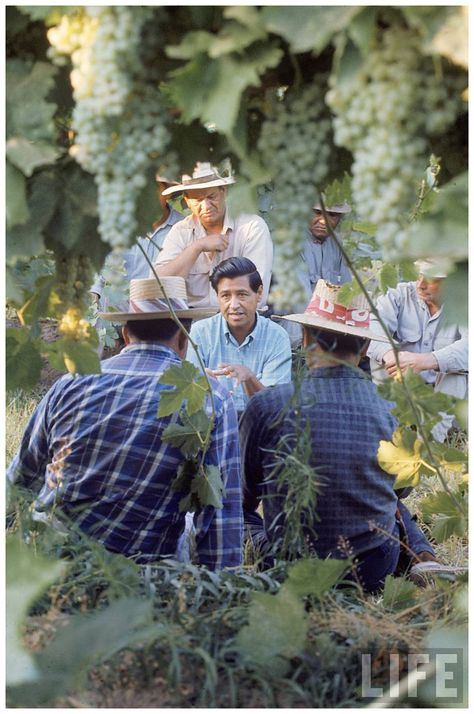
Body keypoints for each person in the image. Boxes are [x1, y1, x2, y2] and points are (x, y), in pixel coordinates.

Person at [7, 277, 243, 570]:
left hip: (51, 560)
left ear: (126, 334)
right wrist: (222, 588)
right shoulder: (210, 397)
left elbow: (19, 479)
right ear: (184, 338)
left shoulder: (68, 385)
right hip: (140, 571)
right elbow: (219, 511)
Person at [240, 279, 438, 593]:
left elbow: (245, 497)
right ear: (362, 348)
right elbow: (400, 492)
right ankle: (423, 556)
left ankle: (422, 556)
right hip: (371, 571)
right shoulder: (393, 412)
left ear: (305, 340)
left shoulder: (266, 405)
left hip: (290, 566)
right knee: (395, 509)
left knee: (235, 514)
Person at [367, 259, 468, 440]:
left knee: (459, 372)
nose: (420, 285)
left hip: (441, 396)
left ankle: (430, 444)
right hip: (400, 386)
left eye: (431, 278)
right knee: (379, 356)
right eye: (419, 275)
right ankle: (384, 428)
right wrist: (393, 358)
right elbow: (372, 326)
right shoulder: (398, 294)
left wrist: (423, 361)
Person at [153, 162, 273, 309]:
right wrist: (196, 247)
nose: (206, 206)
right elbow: (155, 287)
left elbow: (256, 295)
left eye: (211, 197)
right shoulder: (180, 231)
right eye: (197, 200)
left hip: (241, 322)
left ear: (224, 191)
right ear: (187, 200)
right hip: (191, 325)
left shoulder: (251, 227)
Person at [186, 257, 292, 418]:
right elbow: (188, 403)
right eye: (225, 296)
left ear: (259, 293)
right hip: (212, 429)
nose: (234, 305)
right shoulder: (199, 333)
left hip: (260, 432)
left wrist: (249, 378)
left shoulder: (277, 337)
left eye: (242, 295)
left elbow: (275, 409)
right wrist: (200, 387)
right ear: (217, 297)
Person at [90, 174, 184, 307]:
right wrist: (94, 294)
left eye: (153, 188)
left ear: (168, 192)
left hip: (166, 318)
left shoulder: (184, 227)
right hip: (117, 316)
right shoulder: (117, 225)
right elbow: (98, 269)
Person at [298, 200, 353, 297]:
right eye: (317, 213)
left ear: (340, 218)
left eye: (332, 215)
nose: (323, 221)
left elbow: (347, 289)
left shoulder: (338, 244)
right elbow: (300, 299)